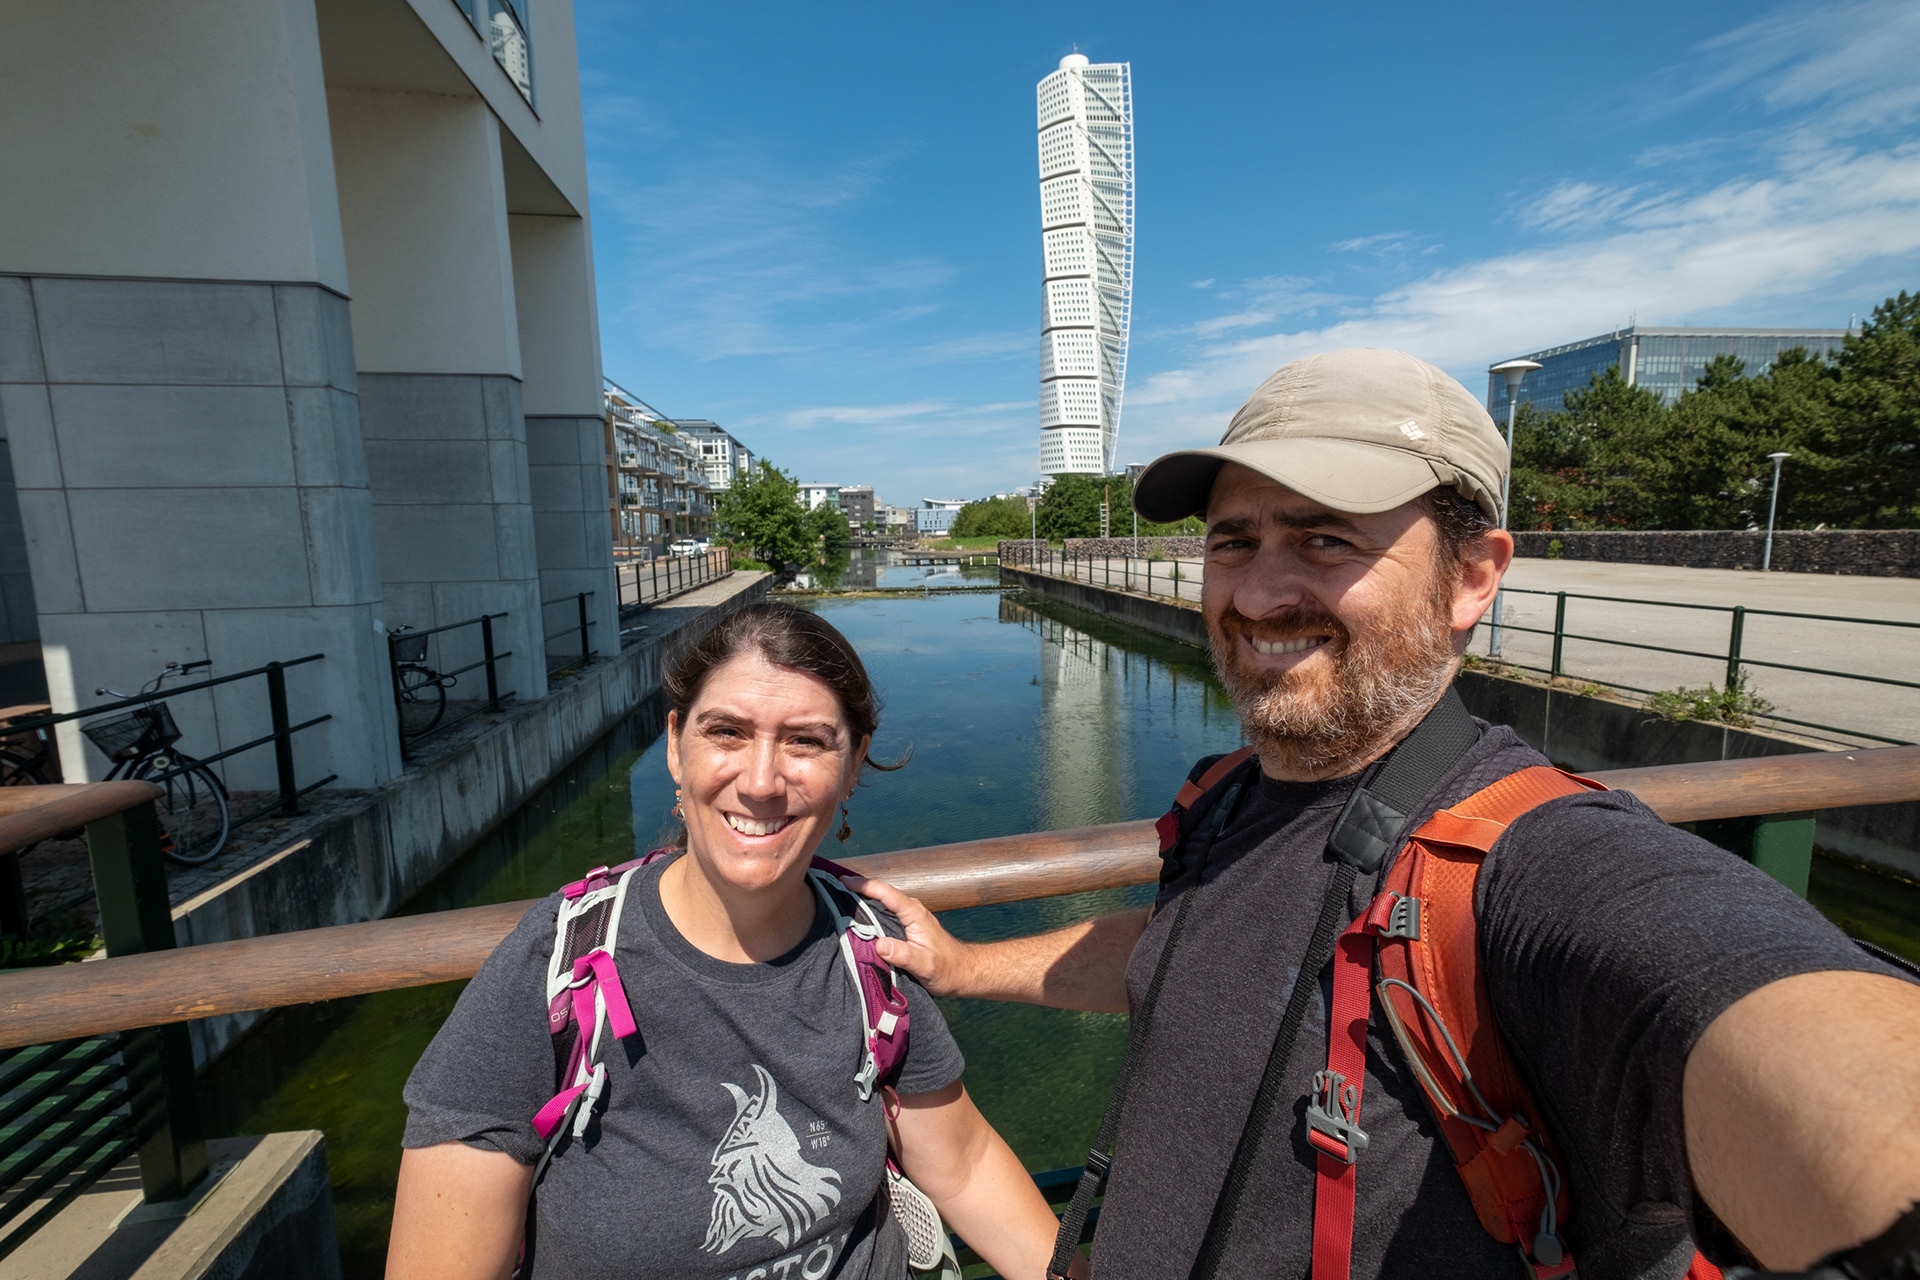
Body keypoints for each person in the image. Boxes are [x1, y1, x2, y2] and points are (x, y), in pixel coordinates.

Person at [848, 349, 1920, 1280]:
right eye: (1234, 541)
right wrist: (963, 962)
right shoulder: (1225, 802)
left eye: (1324, 541)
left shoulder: (1526, 859)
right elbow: (1192, 945)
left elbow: (1736, 988)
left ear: (1472, 576)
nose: (1259, 592)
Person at [389, 602, 1065, 1280]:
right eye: (728, 732)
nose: (762, 781)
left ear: (854, 763)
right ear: (677, 743)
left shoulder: (870, 950)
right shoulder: (556, 970)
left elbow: (964, 1163)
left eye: (806, 741)